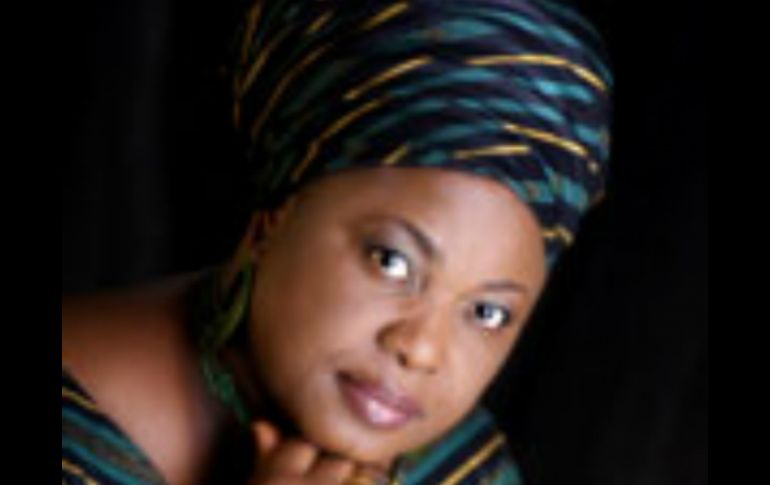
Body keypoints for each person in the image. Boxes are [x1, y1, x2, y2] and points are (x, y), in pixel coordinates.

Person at [62, 0, 613, 483]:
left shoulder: (459, 463)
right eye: (392, 262)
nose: (421, 348)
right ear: (272, 220)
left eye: (487, 312)